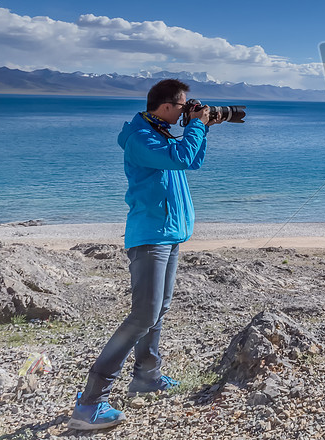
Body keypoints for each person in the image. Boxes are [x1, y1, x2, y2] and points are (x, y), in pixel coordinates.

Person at [68, 79, 225, 431]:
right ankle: (90, 402)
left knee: (158, 311)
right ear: (166, 107)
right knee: (142, 315)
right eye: (184, 107)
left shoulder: (160, 131)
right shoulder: (142, 138)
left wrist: (202, 128)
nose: (188, 112)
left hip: (168, 232)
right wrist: (197, 125)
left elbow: (191, 161)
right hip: (150, 234)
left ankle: (147, 376)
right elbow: (182, 156)